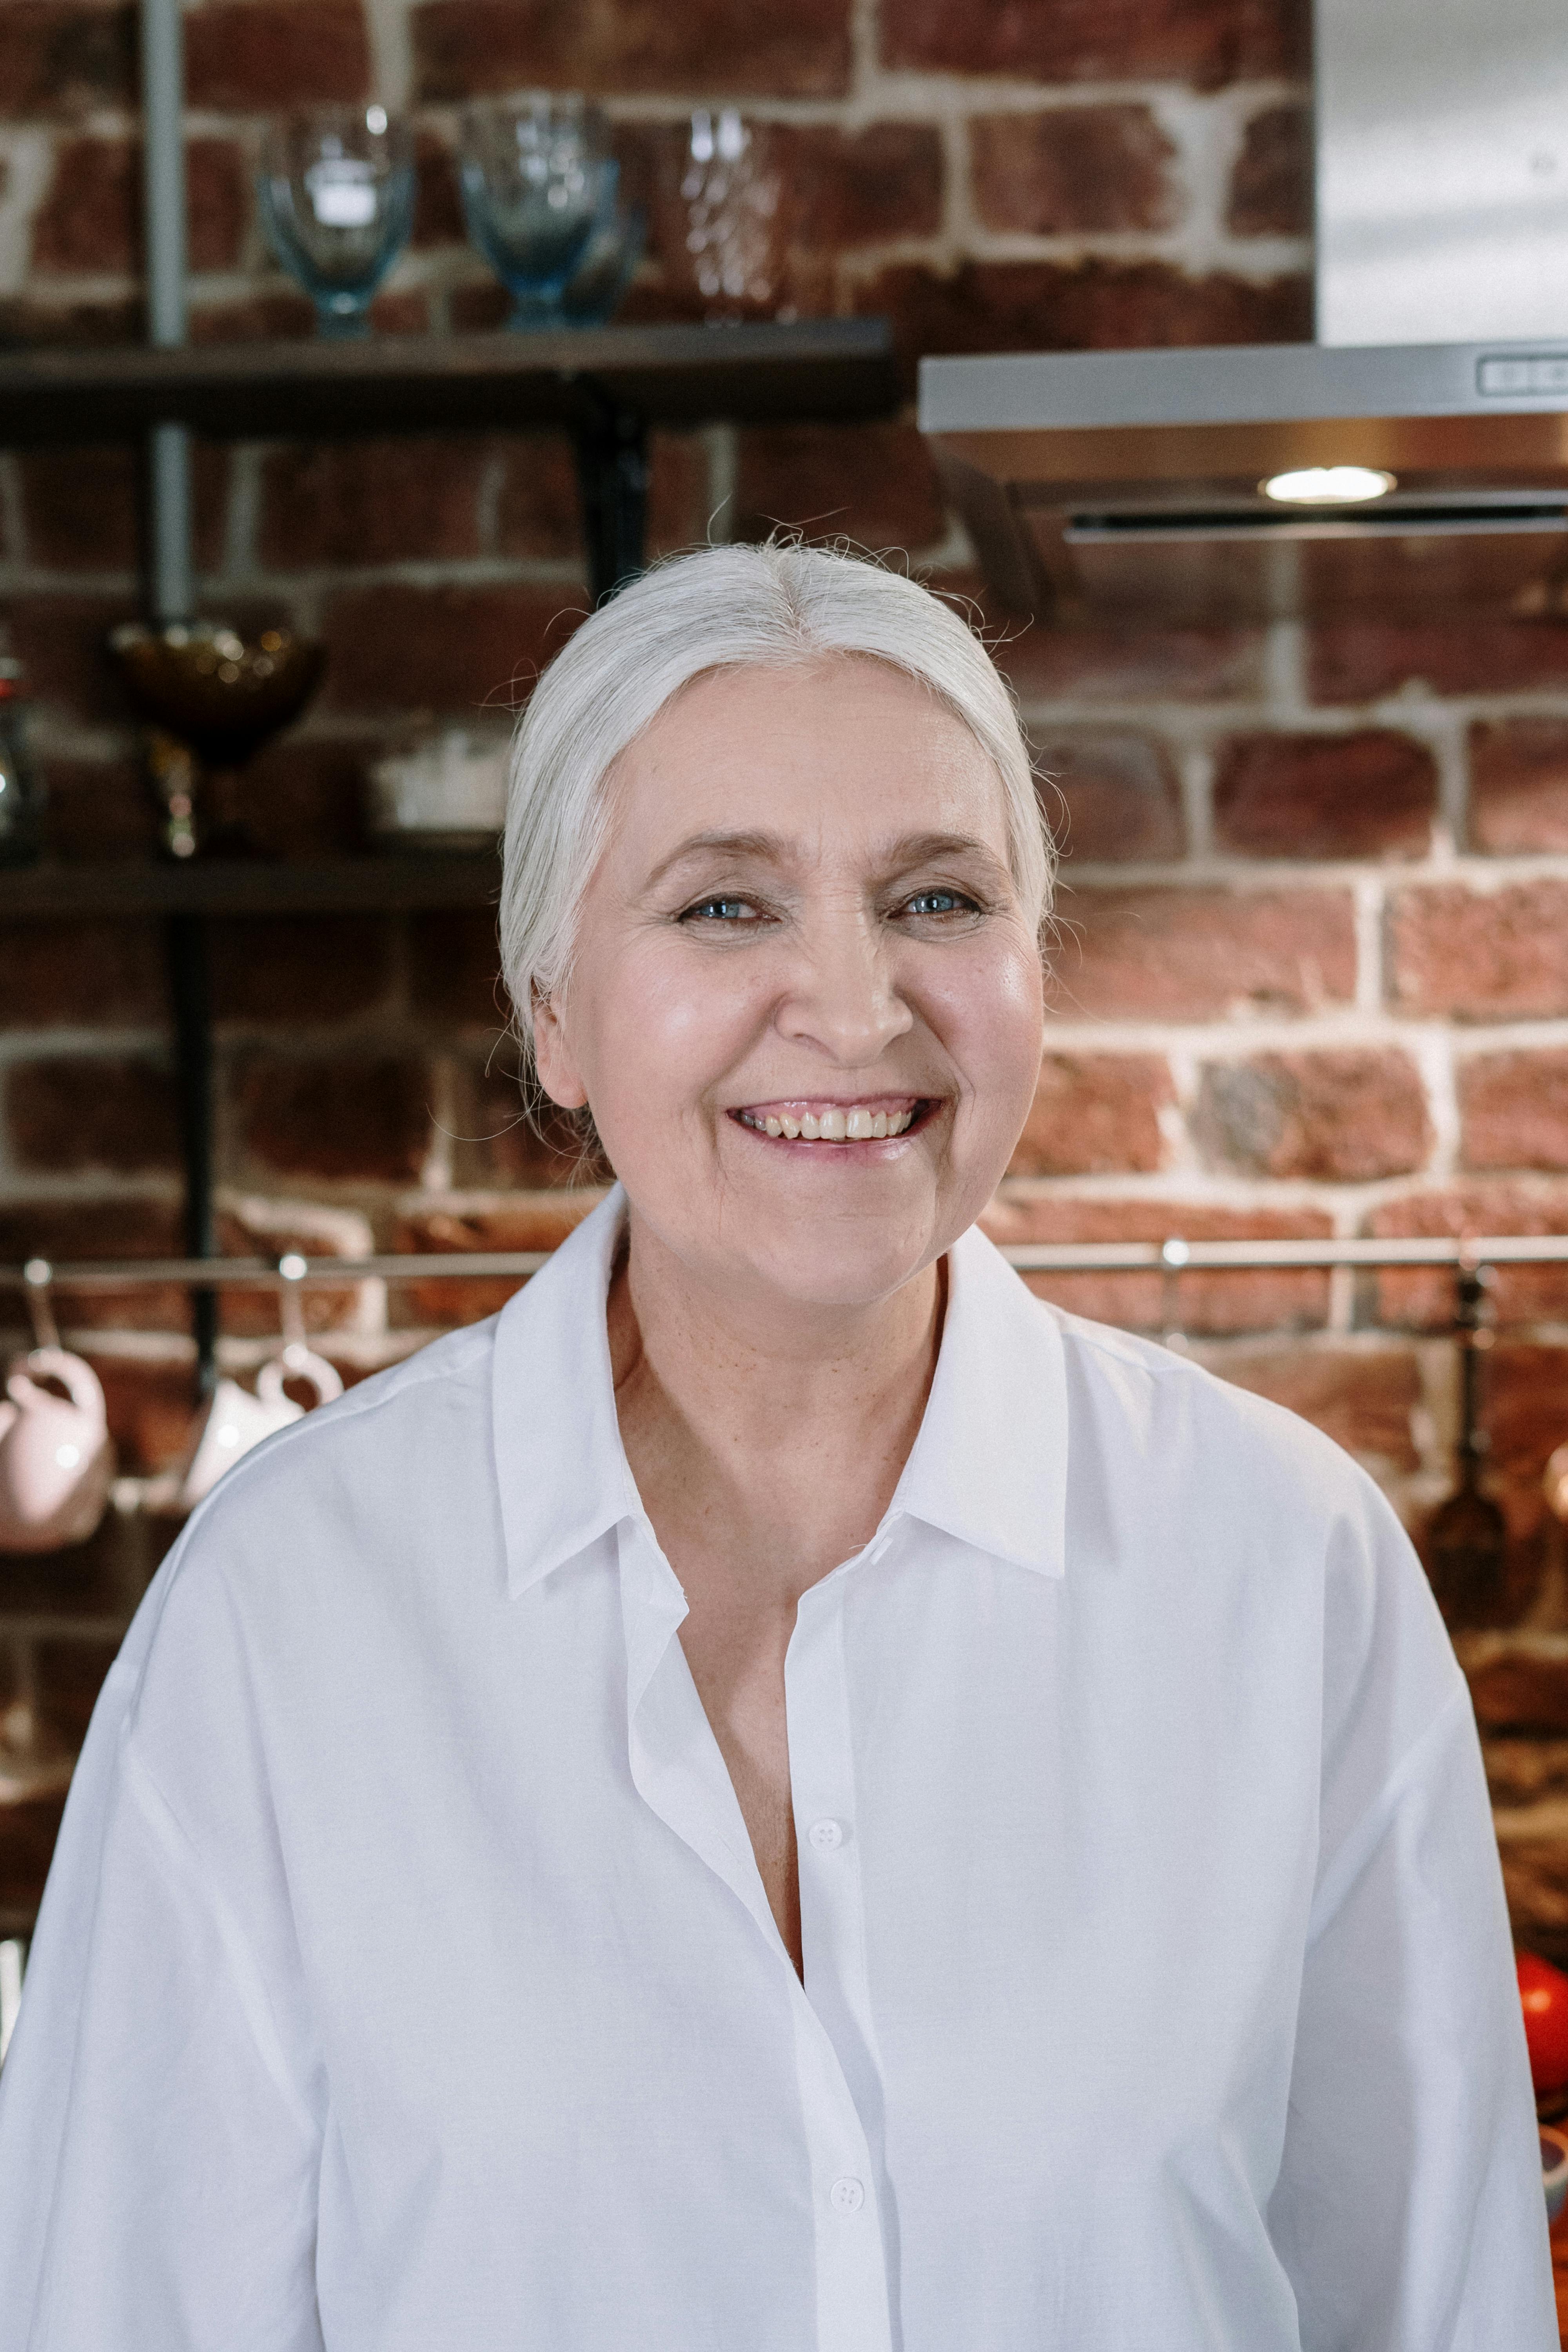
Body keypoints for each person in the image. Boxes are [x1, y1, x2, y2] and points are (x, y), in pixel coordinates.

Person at [0, 543, 1553, 2350]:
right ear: (554, 1013)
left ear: (1030, 970)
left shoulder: (1285, 1569)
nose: (853, 1003)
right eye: (725, 906)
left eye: (938, 899)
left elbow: (1434, 2306)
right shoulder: (284, 1613)